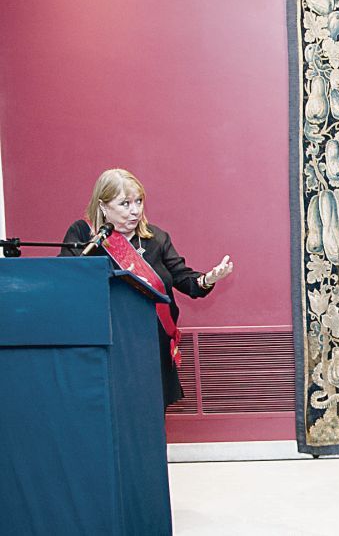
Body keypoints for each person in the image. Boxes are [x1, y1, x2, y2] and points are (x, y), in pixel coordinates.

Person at [61, 168, 234, 409]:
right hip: (109, 340)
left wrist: (208, 279)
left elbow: (185, 281)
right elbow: (68, 281)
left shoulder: (156, 238)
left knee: (150, 410)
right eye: (125, 203)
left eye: (138, 201)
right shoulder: (83, 234)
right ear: (103, 206)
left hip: (151, 342)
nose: (135, 210)